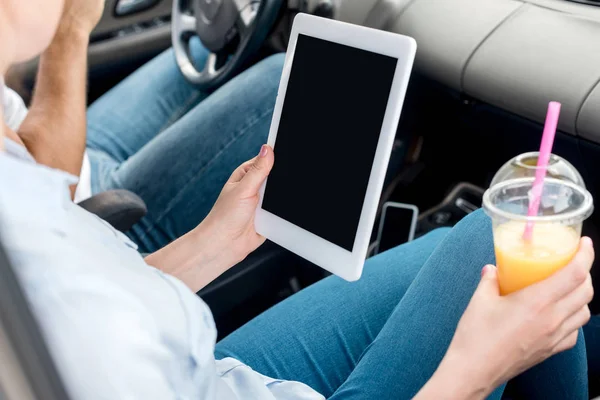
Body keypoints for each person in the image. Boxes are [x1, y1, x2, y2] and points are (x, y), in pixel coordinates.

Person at [1, 1, 598, 399]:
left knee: (467, 253)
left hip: (194, 367)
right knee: (500, 249)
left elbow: (71, 312)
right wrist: (474, 370)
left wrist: (215, 242)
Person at [3, 0, 283, 253]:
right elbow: (49, 194)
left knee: (209, 47)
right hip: (91, 211)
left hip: (63, 146)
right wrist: (70, 28)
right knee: (282, 80)